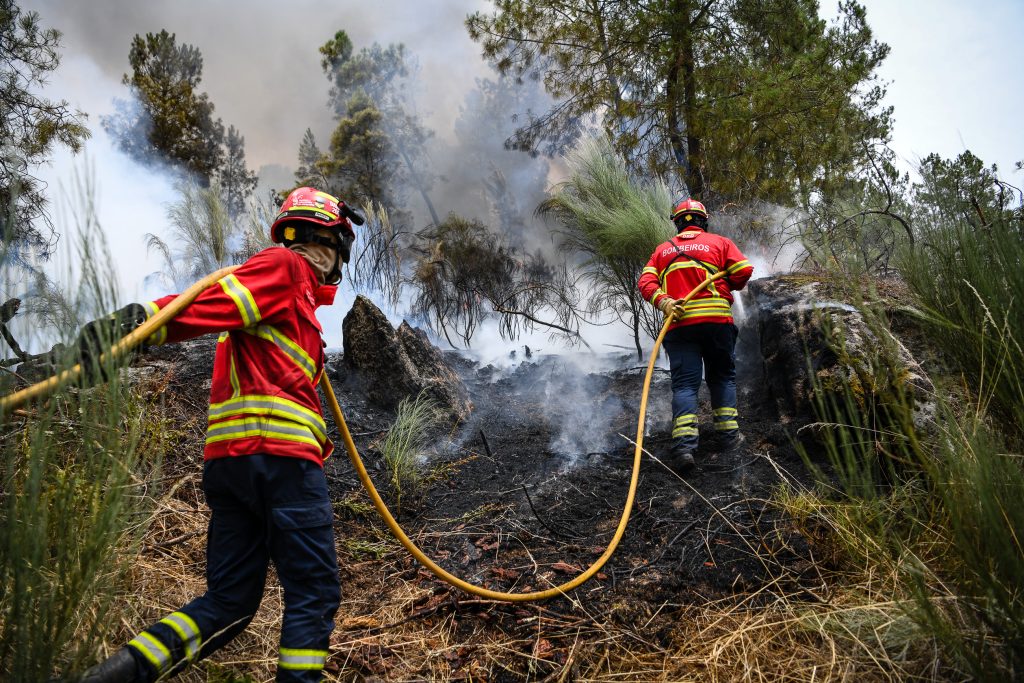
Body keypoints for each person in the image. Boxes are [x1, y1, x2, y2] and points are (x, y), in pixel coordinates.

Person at [76, 187, 359, 683]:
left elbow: (228, 312)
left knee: (228, 605)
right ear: (331, 241)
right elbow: (212, 301)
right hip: (280, 464)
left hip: (233, 468)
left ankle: (111, 679)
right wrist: (135, 326)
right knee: (313, 593)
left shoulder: (296, 303)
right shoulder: (286, 268)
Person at [637, 198, 754, 469]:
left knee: (685, 385)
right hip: (717, 323)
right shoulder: (719, 243)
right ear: (703, 220)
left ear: (677, 222)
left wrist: (664, 300)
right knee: (722, 378)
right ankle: (728, 437)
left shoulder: (663, 250)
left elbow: (645, 281)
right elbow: (744, 270)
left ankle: (685, 447)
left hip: (680, 326)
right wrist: (726, 280)